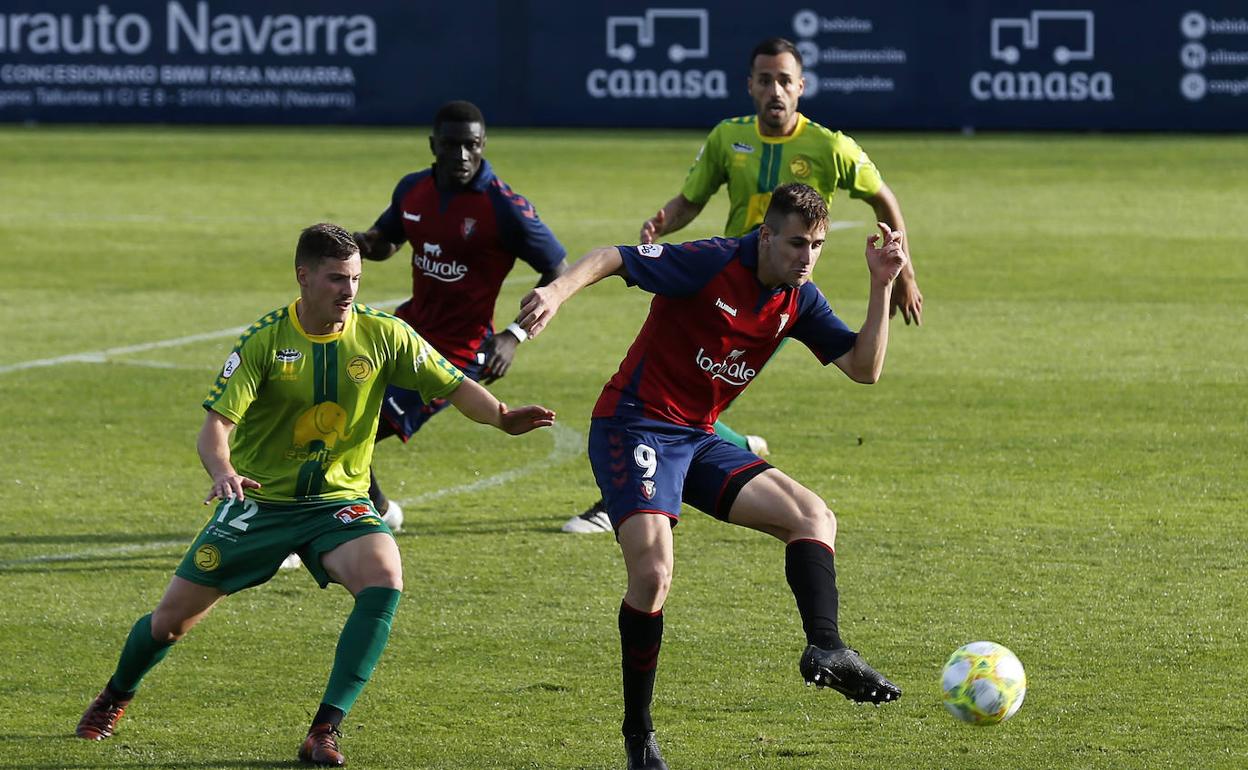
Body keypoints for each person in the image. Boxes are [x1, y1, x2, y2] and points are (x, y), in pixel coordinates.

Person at [75, 223, 555, 766]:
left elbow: (451, 383)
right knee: (169, 624)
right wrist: (223, 469)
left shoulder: (383, 333)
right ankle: (115, 694)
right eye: (335, 279)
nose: (348, 290)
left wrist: (500, 416)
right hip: (260, 502)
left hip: (337, 503)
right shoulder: (265, 340)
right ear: (303, 276)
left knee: (384, 575)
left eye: (355, 278)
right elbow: (214, 428)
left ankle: (324, 730)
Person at [520, 184, 904, 770]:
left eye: (819, 245)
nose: (808, 256)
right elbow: (615, 257)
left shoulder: (798, 298)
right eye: (798, 242)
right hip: (634, 425)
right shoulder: (711, 261)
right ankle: (639, 736)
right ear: (768, 235)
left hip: (697, 438)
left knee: (814, 516)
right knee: (653, 573)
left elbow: (864, 368)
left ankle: (827, 648)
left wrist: (882, 285)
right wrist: (556, 289)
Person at [561, 37, 923, 535]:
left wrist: (904, 274)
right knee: (685, 397)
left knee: (683, 401)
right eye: (765, 79)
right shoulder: (727, 137)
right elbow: (693, 197)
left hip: (774, 298)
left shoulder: (831, 146)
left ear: (801, 86)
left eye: (784, 80)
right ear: (750, 85)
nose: (775, 89)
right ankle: (689, 468)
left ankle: (626, 494)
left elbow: (883, 198)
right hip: (716, 286)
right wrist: (661, 226)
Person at [354, 100, 567, 532]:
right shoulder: (412, 189)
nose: (462, 156)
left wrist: (513, 335)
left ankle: (329, 530)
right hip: (401, 333)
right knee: (339, 418)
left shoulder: (505, 208)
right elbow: (389, 239)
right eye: (451, 145)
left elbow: (558, 272)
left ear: (483, 144)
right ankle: (377, 510)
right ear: (434, 145)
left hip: (453, 355)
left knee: (353, 432)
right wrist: (362, 244)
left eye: (471, 145)